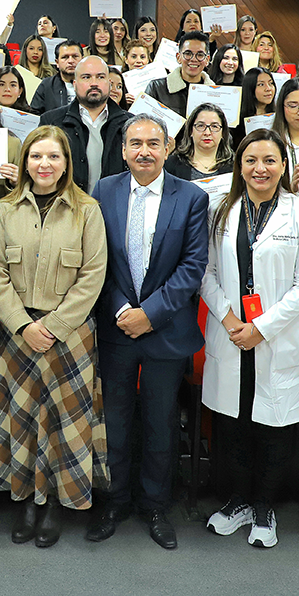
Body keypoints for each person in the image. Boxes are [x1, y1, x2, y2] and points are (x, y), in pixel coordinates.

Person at [86, 116, 208, 549]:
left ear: (168, 147)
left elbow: (192, 267)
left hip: (166, 330)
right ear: (122, 150)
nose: (144, 151)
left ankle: (155, 506)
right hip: (116, 328)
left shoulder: (191, 196)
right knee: (115, 422)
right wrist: (123, 308)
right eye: (135, 143)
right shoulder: (103, 191)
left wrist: (149, 314)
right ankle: (115, 501)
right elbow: (95, 260)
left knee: (160, 424)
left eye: (153, 143)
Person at [201, 129, 299, 549]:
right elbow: (205, 272)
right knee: (232, 423)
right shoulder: (221, 210)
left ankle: (264, 507)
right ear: (239, 165)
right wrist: (230, 319)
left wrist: (261, 328)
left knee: (274, 427)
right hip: (231, 334)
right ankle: (238, 501)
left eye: (270, 160)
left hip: (276, 338)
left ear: (283, 166)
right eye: (251, 160)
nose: (260, 168)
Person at [0, 126, 109, 547]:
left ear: (66, 163)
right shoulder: (4, 209)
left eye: (54, 157)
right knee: (22, 420)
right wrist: (23, 325)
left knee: (62, 423)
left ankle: (55, 502)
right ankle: (25, 500)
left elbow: (93, 276)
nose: (44, 164)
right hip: (18, 333)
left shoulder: (87, 210)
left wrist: (53, 327)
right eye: (36, 156)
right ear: (24, 162)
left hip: (69, 336)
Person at [38, 56, 130, 192]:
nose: (94, 83)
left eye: (100, 77)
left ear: (109, 83)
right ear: (75, 84)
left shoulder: (130, 124)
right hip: (65, 202)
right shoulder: (51, 121)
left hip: (115, 203)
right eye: (86, 77)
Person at [144, 30, 215, 116]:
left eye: (200, 55)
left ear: (207, 60)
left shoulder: (215, 94)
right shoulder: (156, 88)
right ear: (178, 57)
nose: (193, 59)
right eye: (188, 53)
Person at [165, 104, 235, 180]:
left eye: (214, 126)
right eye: (201, 126)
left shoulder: (235, 166)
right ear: (191, 131)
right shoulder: (171, 164)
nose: (207, 133)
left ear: (223, 133)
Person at [30, 40, 84, 116]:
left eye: (75, 56)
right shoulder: (47, 86)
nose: (71, 61)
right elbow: (34, 115)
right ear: (57, 63)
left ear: (82, 60)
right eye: (65, 57)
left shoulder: (92, 84)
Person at [238, 67, 278, 138]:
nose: (268, 88)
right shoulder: (238, 121)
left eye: (270, 83)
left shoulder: (279, 115)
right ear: (250, 88)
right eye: (261, 84)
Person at [18, 34, 55, 101]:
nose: (35, 52)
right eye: (31, 48)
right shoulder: (17, 72)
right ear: (25, 50)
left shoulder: (51, 74)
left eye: (40, 49)